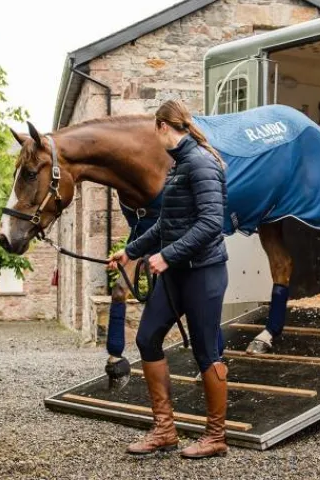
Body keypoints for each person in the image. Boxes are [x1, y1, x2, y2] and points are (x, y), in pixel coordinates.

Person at [108, 99, 229, 459]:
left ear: (163, 127)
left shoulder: (201, 163)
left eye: (154, 130)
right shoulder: (179, 166)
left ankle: (216, 436)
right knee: (147, 338)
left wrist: (167, 255)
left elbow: (211, 223)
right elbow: (166, 223)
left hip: (204, 273)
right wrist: (131, 252)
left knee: (206, 352)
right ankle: (165, 430)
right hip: (176, 273)